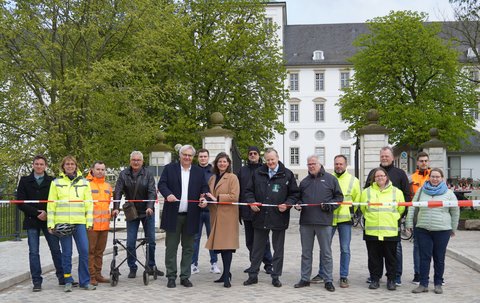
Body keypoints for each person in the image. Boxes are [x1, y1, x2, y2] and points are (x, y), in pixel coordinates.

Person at [243, 148, 299, 288]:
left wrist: (287, 204)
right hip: (260, 216)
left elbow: (294, 194)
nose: (270, 162)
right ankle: (253, 275)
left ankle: (276, 276)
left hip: (279, 217)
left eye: (272, 159)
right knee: (257, 248)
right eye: (268, 160)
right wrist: (251, 202)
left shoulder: (287, 174)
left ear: (277, 157)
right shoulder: (258, 173)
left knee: (278, 249)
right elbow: (248, 191)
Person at [159, 145, 209, 288]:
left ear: (193, 157)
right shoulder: (170, 169)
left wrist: (203, 197)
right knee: (171, 247)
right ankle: (171, 276)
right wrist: (167, 194)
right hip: (173, 215)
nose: (187, 158)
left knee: (188, 248)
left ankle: (185, 276)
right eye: (184, 155)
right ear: (180, 155)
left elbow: (204, 188)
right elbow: (161, 184)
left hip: (191, 215)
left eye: (190, 155)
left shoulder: (199, 172)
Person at [293, 155, 343, 292]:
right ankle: (305, 278)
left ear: (320, 164)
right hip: (306, 222)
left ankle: (328, 280)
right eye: (309, 164)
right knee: (306, 253)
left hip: (324, 222)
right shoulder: (304, 182)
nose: (311, 166)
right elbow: (298, 198)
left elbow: (339, 198)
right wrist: (297, 204)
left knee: (326, 253)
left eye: (313, 163)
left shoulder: (331, 179)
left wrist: (329, 206)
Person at [407, 168, 459, 295]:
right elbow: (413, 207)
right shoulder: (421, 191)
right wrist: (409, 222)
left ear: (442, 178)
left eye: (437, 177)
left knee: (439, 258)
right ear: (429, 177)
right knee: (424, 257)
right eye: (433, 176)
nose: (435, 179)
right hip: (423, 229)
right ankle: (423, 284)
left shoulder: (449, 193)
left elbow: (455, 211)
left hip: (442, 230)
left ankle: (438, 284)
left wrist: (453, 228)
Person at [17, 155, 65, 292]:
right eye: (36, 164)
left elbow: (57, 200)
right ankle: (36, 281)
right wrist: (37, 213)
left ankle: (62, 277)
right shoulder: (25, 181)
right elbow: (20, 202)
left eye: (41, 164)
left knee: (56, 250)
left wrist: (47, 213)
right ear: (33, 165)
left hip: (48, 220)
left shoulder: (52, 181)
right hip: (32, 220)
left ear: (45, 166)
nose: (39, 166)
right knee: (33, 252)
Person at [47, 156, 95, 292]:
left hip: (79, 222)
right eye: (67, 164)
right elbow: (51, 205)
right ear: (63, 167)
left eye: (72, 164)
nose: (69, 166)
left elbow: (89, 204)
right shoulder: (56, 183)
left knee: (84, 251)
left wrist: (89, 221)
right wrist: (51, 224)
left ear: (76, 166)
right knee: (67, 253)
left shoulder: (85, 183)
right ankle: (67, 280)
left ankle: (84, 281)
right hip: (63, 223)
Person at [113, 151, 163, 279]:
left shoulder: (148, 174)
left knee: (151, 241)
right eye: (134, 160)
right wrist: (116, 208)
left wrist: (150, 207)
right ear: (130, 161)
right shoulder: (124, 174)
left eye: (138, 160)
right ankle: (132, 267)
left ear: (142, 161)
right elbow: (117, 191)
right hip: (132, 212)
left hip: (147, 212)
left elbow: (152, 192)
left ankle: (151, 265)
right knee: (130, 242)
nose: (136, 162)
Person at [365, 146, 410, 286]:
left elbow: (405, 197)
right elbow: (364, 201)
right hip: (373, 225)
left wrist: (398, 216)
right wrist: (368, 215)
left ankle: (395, 277)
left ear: (392, 157)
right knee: (374, 255)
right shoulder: (373, 172)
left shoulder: (400, 173)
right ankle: (375, 278)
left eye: (387, 156)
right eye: (382, 156)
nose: (384, 158)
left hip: (391, 223)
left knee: (393, 254)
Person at [314, 154, 361, 288]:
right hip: (329, 219)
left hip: (345, 220)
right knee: (325, 248)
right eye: (336, 164)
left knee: (345, 249)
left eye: (341, 164)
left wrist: (351, 213)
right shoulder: (327, 178)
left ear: (346, 165)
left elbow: (357, 200)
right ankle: (322, 273)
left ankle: (343, 276)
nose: (338, 166)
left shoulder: (354, 180)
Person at [200, 152, 240, 288]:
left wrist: (217, 198)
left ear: (228, 163)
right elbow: (208, 195)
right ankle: (224, 274)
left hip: (228, 216)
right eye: (219, 162)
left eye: (224, 161)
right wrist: (205, 200)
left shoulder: (232, 177)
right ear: (216, 164)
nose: (222, 164)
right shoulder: (212, 178)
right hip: (215, 215)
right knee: (221, 247)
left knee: (227, 246)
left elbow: (234, 196)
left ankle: (227, 275)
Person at [361, 167, 405, 291]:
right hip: (372, 231)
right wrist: (369, 217)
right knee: (374, 258)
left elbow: (401, 209)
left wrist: (395, 216)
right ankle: (375, 279)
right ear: (373, 179)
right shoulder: (367, 192)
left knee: (391, 258)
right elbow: (363, 209)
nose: (380, 178)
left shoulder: (397, 192)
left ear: (386, 177)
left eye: (382, 175)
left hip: (390, 231)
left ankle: (391, 280)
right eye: (377, 176)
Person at [237, 146, 273, 274]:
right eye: (250, 153)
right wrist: (240, 210)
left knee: (264, 240)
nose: (252, 155)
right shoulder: (242, 171)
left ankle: (269, 263)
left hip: (261, 211)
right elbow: (239, 191)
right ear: (248, 155)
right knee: (250, 241)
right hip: (247, 210)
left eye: (255, 153)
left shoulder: (265, 169)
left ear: (259, 156)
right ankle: (254, 264)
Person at [191, 148, 220, 275]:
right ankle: (193, 264)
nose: (203, 158)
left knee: (212, 237)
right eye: (201, 156)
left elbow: (215, 190)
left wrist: (207, 199)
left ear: (208, 158)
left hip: (210, 209)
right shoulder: (192, 170)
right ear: (198, 158)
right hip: (196, 208)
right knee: (195, 238)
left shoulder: (214, 172)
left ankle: (214, 263)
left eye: (205, 156)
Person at [86, 161, 112, 285]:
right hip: (92, 224)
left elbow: (109, 203)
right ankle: (91, 276)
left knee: (99, 252)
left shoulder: (108, 186)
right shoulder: (87, 185)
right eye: (98, 169)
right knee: (90, 251)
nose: (100, 171)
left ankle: (98, 274)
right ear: (93, 170)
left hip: (105, 225)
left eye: (102, 169)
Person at [409, 151, 431, 284]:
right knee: (417, 246)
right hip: (417, 214)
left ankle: (433, 274)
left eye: (425, 161)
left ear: (428, 162)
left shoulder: (434, 176)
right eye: (421, 161)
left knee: (433, 247)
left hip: (433, 213)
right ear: (417, 162)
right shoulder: (411, 178)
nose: (423, 163)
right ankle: (418, 274)